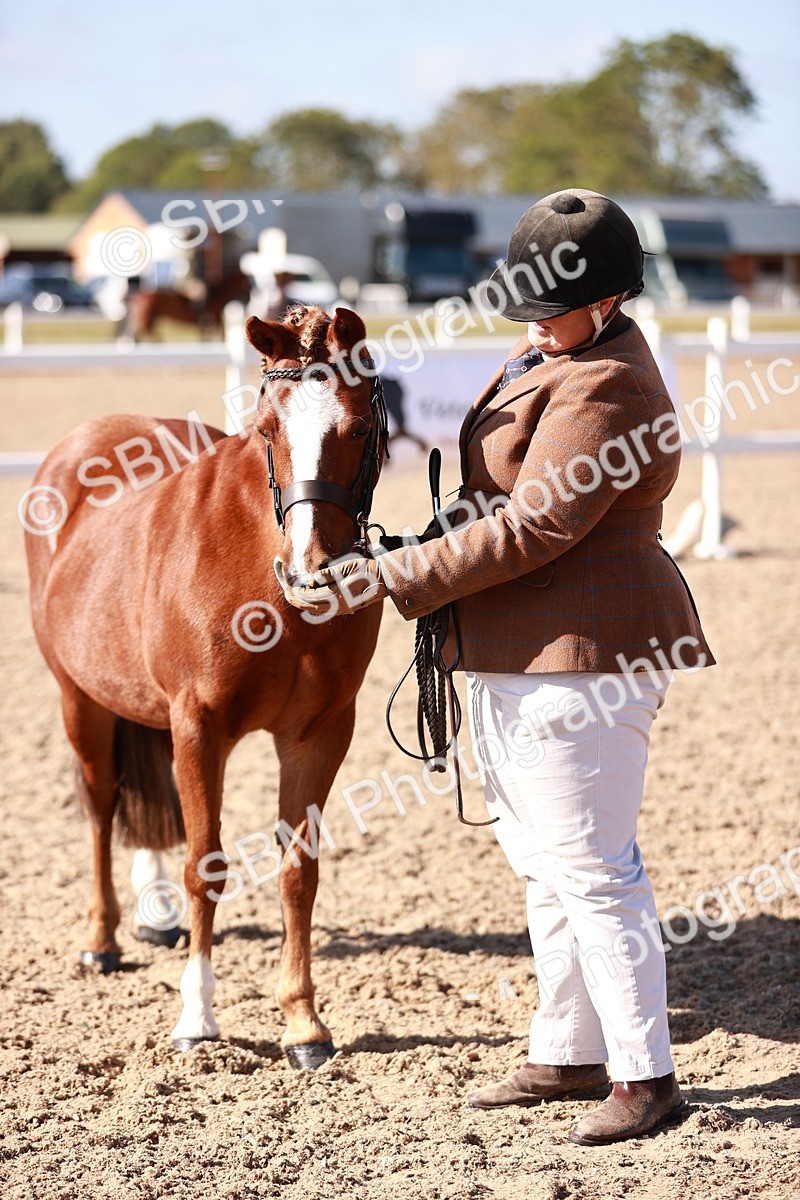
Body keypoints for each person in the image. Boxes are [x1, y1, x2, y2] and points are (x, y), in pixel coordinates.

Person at [289, 189, 715, 1146]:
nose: (529, 322)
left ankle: (646, 1076)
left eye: (548, 306)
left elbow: (536, 525)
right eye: (522, 305)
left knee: (595, 867)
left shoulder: (606, 384)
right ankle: (568, 1048)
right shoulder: (555, 351)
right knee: (541, 861)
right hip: (519, 644)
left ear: (608, 301)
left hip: (581, 648)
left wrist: (387, 574)